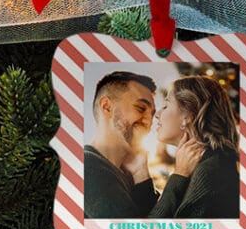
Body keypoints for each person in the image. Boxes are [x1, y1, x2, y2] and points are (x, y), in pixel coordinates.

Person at [83, 71, 203, 218]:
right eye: (140, 108)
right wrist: (180, 175)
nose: (149, 121)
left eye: (152, 114)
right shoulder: (89, 168)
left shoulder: (126, 173)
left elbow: (149, 216)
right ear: (107, 106)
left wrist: (141, 175)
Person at [148, 75, 241, 219]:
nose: (157, 114)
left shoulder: (209, 172)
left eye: (166, 105)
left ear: (188, 115)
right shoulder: (206, 163)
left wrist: (179, 177)